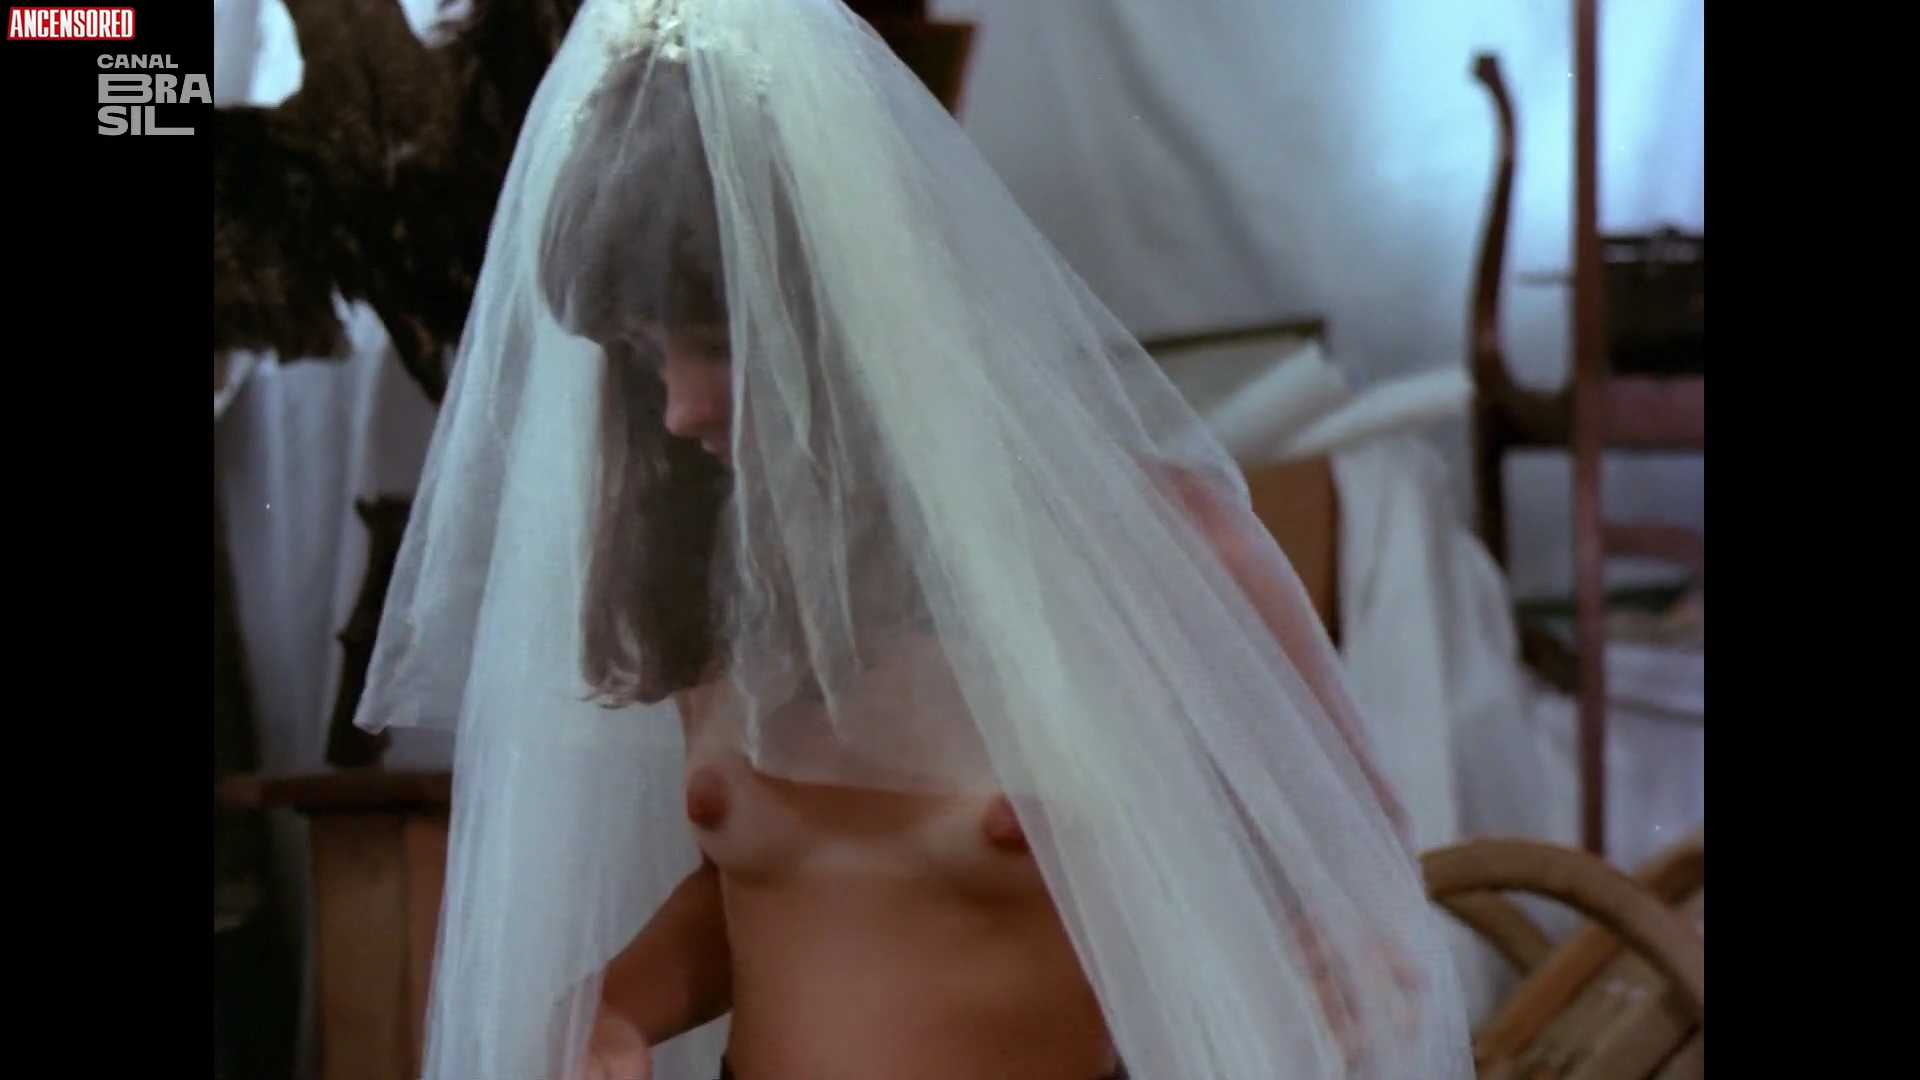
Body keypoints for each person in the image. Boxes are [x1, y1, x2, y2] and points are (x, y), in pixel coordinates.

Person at [356, 2, 1474, 1078]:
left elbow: (1354, 875)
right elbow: (772, 897)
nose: (681, 408)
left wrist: (1340, 967)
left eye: (719, 347)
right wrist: (612, 1006)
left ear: (859, 311)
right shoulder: (719, 577)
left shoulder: (1158, 559)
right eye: (648, 357)